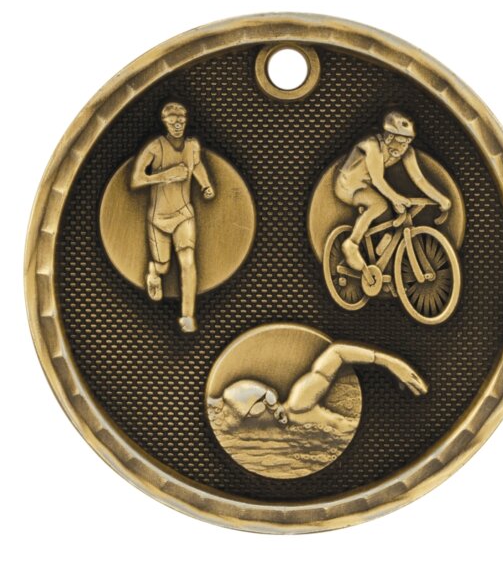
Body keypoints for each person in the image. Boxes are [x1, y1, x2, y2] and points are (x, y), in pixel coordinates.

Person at [131, 102, 215, 333]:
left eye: (181, 121)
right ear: (165, 122)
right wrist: (166, 175)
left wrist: (206, 185)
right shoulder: (155, 147)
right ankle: (153, 272)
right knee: (163, 265)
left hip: (184, 214)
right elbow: (136, 180)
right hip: (159, 218)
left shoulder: (192, 146)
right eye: (172, 121)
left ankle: (187, 316)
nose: (177, 125)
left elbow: (196, 166)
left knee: (188, 262)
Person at [211, 342, 428, 431]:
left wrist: (389, 362)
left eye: (269, 400)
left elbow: (336, 353)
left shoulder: (298, 404)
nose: (273, 407)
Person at [334, 111, 452, 271]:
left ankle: (383, 245)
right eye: (401, 141)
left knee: (394, 214)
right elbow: (378, 179)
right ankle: (351, 243)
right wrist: (396, 198)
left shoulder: (407, 152)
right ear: (389, 136)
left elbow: (419, 180)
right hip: (348, 186)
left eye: (407, 142)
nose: (403, 147)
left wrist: (441, 199)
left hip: (367, 185)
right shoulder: (372, 145)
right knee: (379, 204)